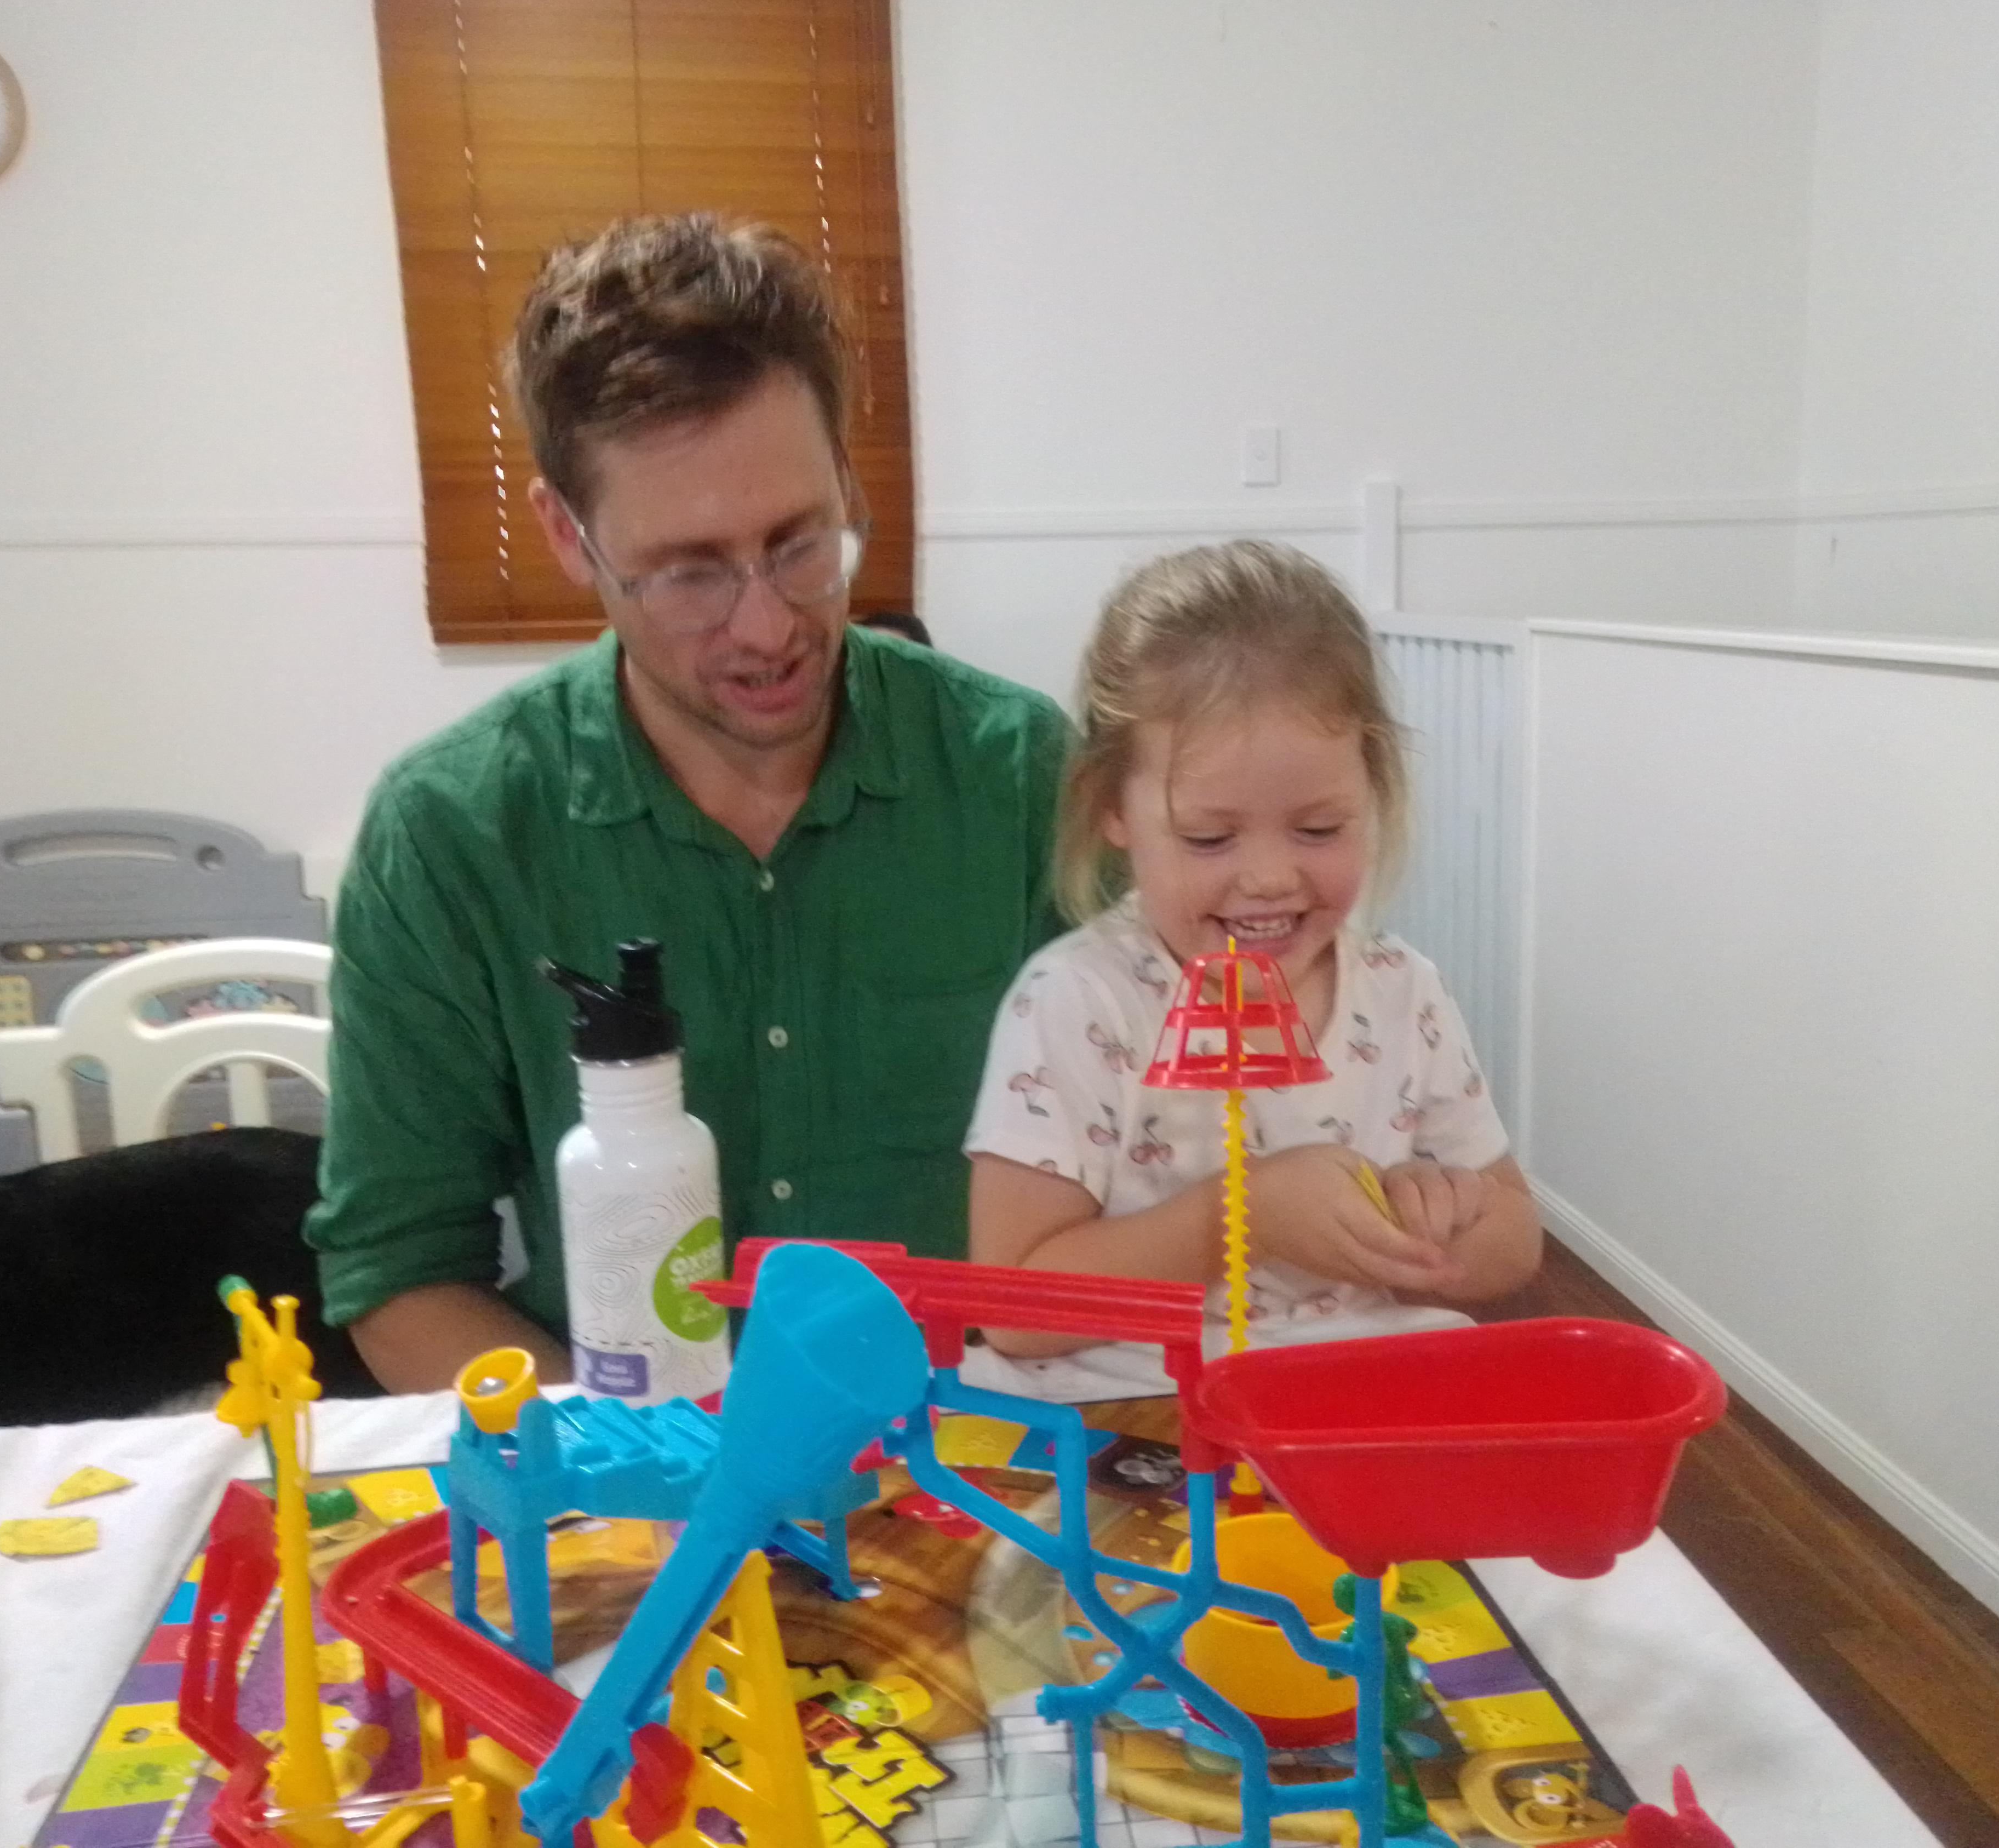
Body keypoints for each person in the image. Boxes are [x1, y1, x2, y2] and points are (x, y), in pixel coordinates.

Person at [308, 215, 1070, 1392]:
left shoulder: (1021, 778)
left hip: (976, 1443)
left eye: (800, 543)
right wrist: (645, 1454)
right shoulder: (451, 834)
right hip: (624, 1459)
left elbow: (1153, 1175)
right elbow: (399, 1271)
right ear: (568, 535)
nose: (766, 627)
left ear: (847, 480)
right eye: (689, 571)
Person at [963, 541, 1539, 1397]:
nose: (1270, 877)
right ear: (1111, 809)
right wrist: (1245, 1215)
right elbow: (1014, 1308)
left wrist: (1430, 1213)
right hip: (1128, 1401)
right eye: (1210, 837)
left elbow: (1515, 1243)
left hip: (1351, 1388)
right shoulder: (1078, 1000)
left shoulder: (1402, 990)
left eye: (1318, 829)